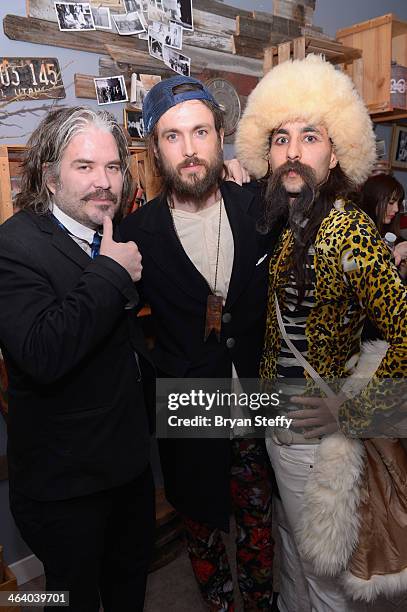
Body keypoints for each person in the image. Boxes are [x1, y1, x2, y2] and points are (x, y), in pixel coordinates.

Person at [235, 54, 407, 611]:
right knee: (292, 554)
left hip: (314, 441)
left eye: (309, 137)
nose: (292, 151)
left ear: (335, 153)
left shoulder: (348, 229)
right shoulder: (295, 225)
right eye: (281, 138)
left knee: (325, 578)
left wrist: (355, 413)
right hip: (279, 427)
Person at [119, 76, 279, 611]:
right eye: (172, 136)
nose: (189, 149)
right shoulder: (136, 233)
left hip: (257, 404)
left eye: (200, 132)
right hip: (189, 412)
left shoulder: (258, 206)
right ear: (154, 149)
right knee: (205, 536)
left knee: (260, 529)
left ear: (220, 136)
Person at [0, 107, 155, 612]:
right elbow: (43, 352)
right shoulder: (15, 244)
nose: (103, 182)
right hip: (64, 487)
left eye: (112, 167)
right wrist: (112, 271)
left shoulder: (117, 231)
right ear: (49, 176)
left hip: (128, 470)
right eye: (84, 167)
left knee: (130, 585)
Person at [360, 173, 407, 274]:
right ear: (374, 200)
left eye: (398, 203)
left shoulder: (390, 235)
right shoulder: (359, 232)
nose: (396, 209)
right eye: (390, 203)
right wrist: (395, 255)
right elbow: (364, 275)